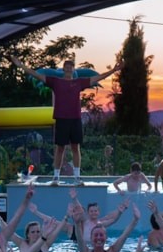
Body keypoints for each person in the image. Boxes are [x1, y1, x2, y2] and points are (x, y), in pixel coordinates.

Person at [10, 56, 123, 186]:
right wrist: (21, 66)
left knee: (76, 147)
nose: (69, 69)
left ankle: (77, 178)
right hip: (61, 119)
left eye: (71, 67)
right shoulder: (56, 82)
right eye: (66, 67)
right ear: (63, 69)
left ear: (73, 69)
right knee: (60, 148)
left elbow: (98, 78)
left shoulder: (79, 82)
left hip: (75, 119)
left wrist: (114, 70)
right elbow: (37, 75)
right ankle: (56, 178)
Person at [75, 203, 140, 252]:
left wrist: (135, 220)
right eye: (96, 235)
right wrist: (77, 223)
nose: (98, 238)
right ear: (91, 238)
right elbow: (79, 239)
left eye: (101, 235)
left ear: (106, 238)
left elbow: (124, 235)